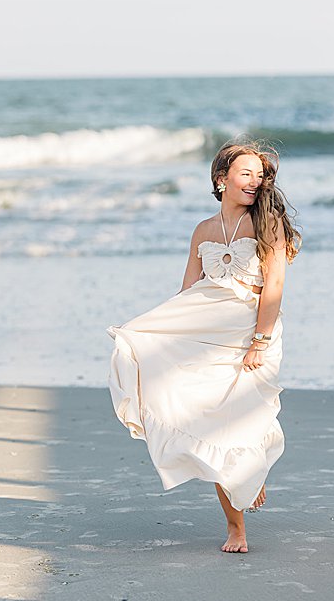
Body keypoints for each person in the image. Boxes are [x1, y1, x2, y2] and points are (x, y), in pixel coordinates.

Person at [108, 140, 301, 554]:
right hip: (206, 335)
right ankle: (237, 528)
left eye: (260, 174)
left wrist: (259, 341)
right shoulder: (203, 230)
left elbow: (276, 286)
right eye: (245, 173)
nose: (255, 181)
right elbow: (188, 292)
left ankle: (252, 471)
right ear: (221, 179)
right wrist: (156, 335)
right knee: (214, 427)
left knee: (248, 420)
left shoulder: (268, 224)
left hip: (252, 335)